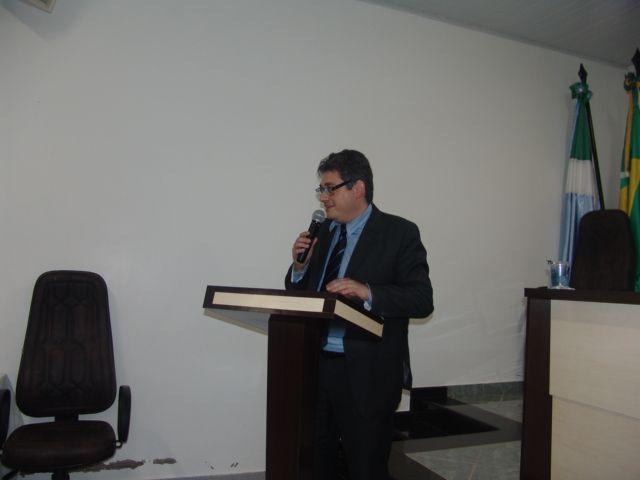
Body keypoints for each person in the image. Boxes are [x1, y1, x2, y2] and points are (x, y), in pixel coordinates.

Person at [285, 149, 434, 480]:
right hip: (316, 368)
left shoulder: (399, 233)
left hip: (368, 374)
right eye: (321, 189)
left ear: (359, 188)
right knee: (316, 463)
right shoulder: (323, 233)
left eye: (330, 188)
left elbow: (422, 299)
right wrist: (299, 268)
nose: (323, 197)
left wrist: (368, 292)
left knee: (366, 467)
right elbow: (302, 295)